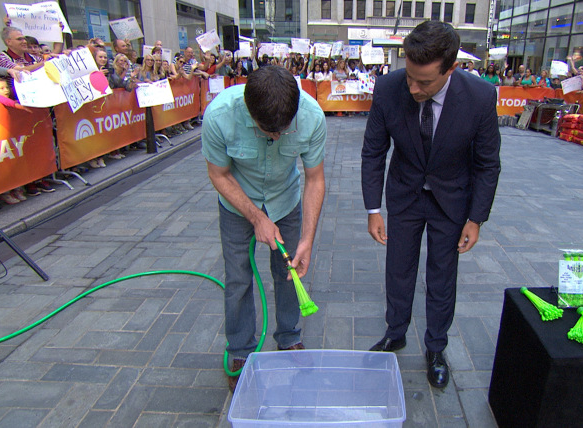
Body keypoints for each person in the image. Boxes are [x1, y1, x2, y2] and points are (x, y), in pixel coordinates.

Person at [361, 20, 501, 389]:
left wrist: (476, 219)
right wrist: (373, 209)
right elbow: (374, 151)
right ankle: (396, 332)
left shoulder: (480, 97)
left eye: (424, 82)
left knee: (442, 275)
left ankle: (436, 348)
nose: (413, 87)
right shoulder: (389, 88)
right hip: (405, 194)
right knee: (398, 267)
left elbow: (488, 164)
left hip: (451, 199)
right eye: (409, 76)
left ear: (450, 69)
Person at [201, 65, 327, 393]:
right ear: (248, 109)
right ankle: (241, 351)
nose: (275, 137)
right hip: (237, 202)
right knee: (239, 277)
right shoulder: (219, 117)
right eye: (266, 131)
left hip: (285, 201)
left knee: (289, 272)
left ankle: (289, 339)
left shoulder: (312, 116)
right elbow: (219, 175)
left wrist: (308, 240)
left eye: (283, 131)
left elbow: (314, 178)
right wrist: (256, 218)